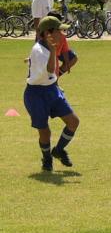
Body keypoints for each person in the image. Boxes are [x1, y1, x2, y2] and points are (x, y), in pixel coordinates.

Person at [23, 16, 80, 172]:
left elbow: (51, 74)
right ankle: (47, 158)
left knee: (73, 121)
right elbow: (49, 70)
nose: (62, 34)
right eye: (58, 31)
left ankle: (59, 150)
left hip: (51, 89)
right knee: (45, 131)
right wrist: (54, 51)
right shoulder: (39, 50)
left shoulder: (49, 46)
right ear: (48, 33)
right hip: (36, 94)